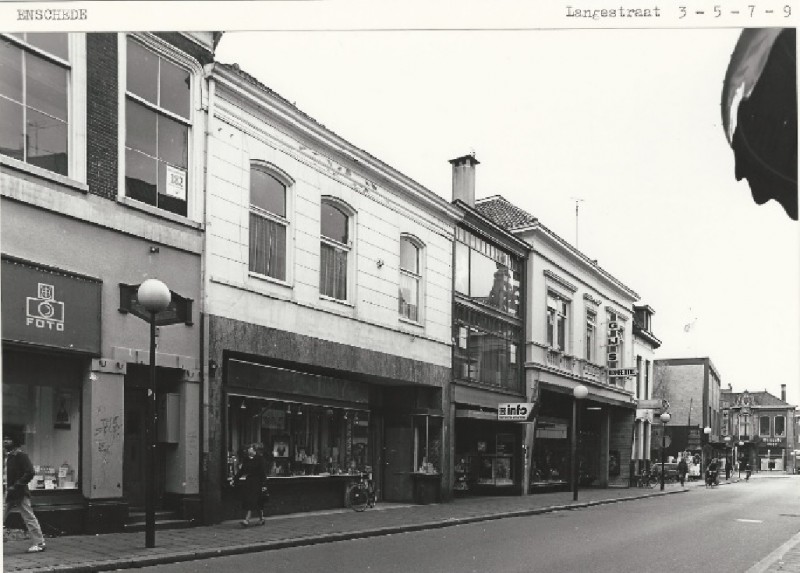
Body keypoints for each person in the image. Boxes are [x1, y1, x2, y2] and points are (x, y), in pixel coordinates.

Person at [3, 434, 46, 553]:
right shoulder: (7, 456)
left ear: (14, 441)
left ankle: (39, 543)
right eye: (4, 439)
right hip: (6, 491)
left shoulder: (20, 455)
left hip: (18, 492)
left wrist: (17, 485)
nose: (5, 442)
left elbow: (30, 472)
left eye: (8, 439)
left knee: (28, 517)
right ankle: (39, 542)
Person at [231, 444, 268, 526]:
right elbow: (242, 471)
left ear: (254, 451)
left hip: (257, 482)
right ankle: (262, 519)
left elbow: (263, 472)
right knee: (255, 502)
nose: (248, 451)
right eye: (248, 450)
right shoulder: (246, 459)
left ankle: (247, 520)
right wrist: (234, 479)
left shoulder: (260, 459)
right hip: (249, 482)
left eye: (250, 449)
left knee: (252, 501)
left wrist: (264, 485)